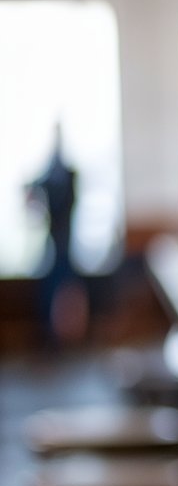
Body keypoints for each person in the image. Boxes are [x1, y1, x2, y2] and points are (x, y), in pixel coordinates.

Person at [26, 126, 87, 343]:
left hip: (67, 245)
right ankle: (52, 335)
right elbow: (31, 193)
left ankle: (72, 334)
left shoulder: (70, 175)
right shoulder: (47, 176)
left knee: (69, 288)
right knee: (51, 288)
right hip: (53, 245)